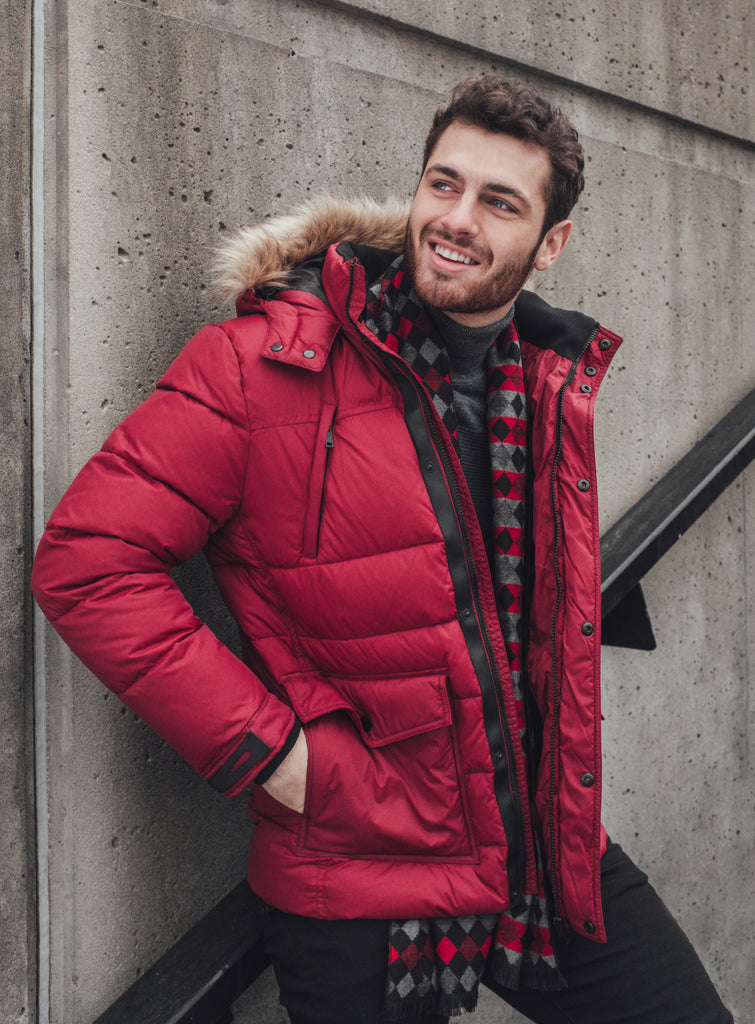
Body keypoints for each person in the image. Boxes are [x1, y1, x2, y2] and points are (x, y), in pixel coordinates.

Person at [32, 76, 732, 1024]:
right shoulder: (258, 362)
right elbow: (88, 561)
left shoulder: (544, 383)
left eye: (499, 202)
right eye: (443, 184)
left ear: (551, 243)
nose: (456, 219)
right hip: (359, 867)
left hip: (539, 844)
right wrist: (278, 756)